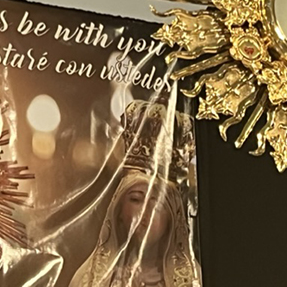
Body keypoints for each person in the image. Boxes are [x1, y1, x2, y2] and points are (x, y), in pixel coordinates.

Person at [69, 100, 201, 287]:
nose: (145, 212)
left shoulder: (193, 280)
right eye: (136, 199)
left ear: (173, 217)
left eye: (158, 204)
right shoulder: (89, 280)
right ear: (118, 210)